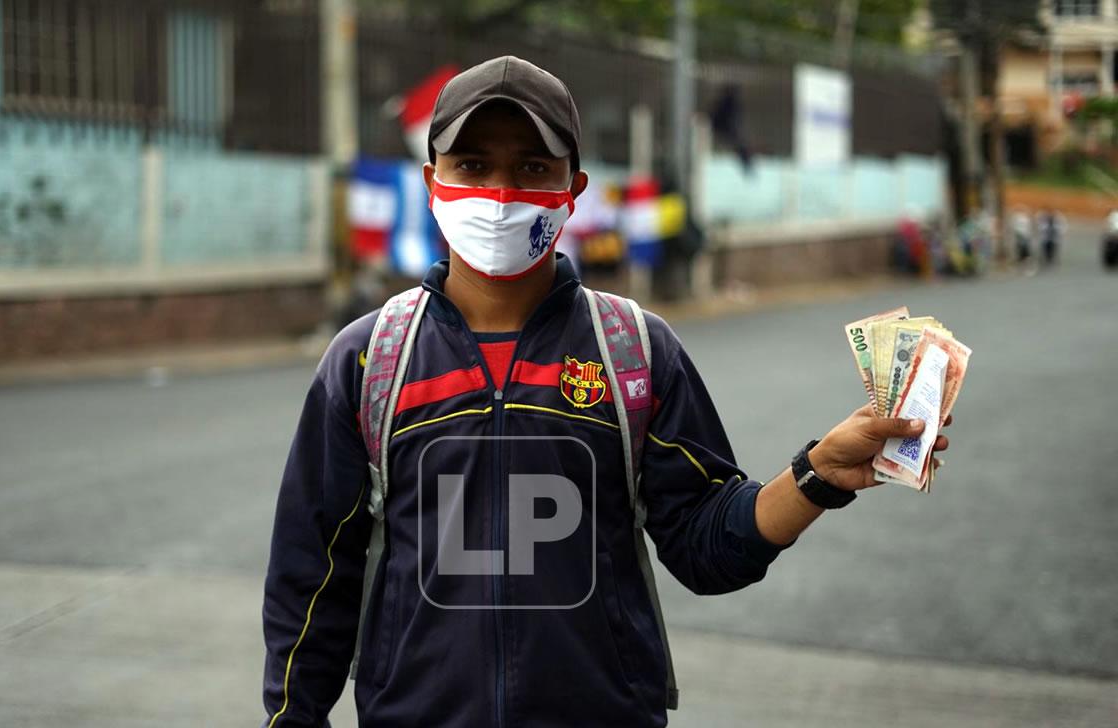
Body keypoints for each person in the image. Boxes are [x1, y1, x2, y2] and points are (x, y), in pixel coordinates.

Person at [260, 56, 951, 728]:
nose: (501, 191)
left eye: (533, 167)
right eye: (472, 165)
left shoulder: (634, 351)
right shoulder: (369, 360)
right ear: (431, 180)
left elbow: (708, 547)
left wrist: (818, 475)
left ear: (574, 187)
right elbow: (312, 579)